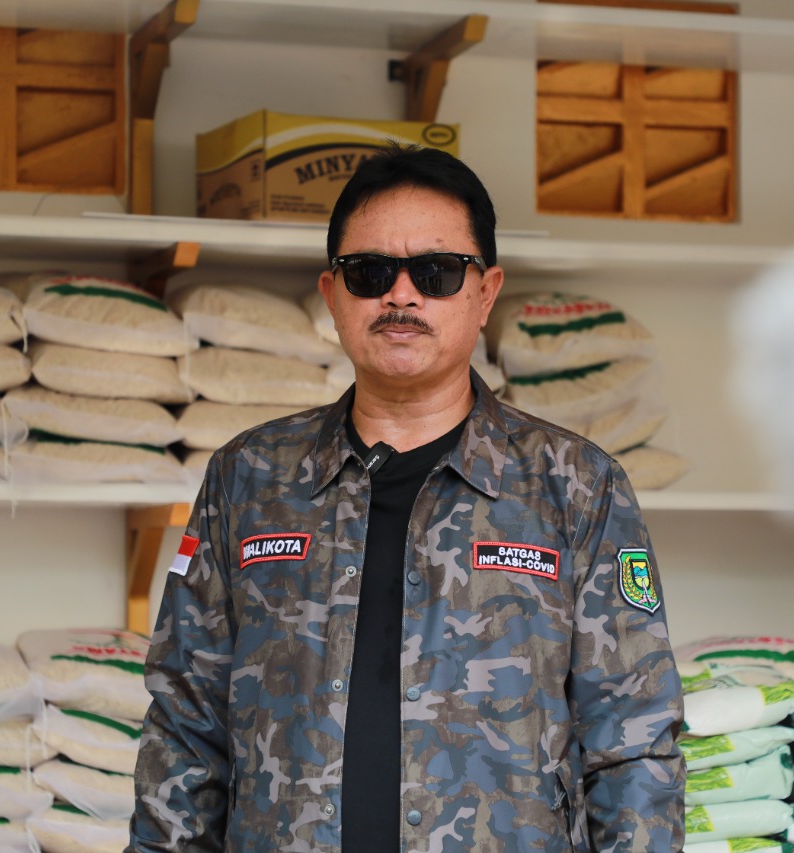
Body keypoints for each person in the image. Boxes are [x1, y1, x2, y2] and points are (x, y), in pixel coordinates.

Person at [127, 143, 684, 852]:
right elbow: (184, 724)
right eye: (369, 273)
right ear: (332, 294)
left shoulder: (576, 485)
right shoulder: (249, 478)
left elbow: (634, 740)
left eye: (436, 272)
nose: (401, 295)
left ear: (486, 292)